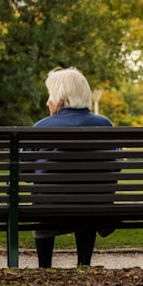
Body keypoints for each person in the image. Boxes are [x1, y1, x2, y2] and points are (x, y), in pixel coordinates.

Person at [32, 67, 113, 268]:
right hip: (93, 209)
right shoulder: (104, 125)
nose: (46, 102)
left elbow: (25, 174)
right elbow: (113, 169)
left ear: (59, 98)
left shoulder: (41, 127)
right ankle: (84, 264)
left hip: (48, 211)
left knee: (43, 201)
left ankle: (44, 266)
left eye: (49, 96)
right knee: (86, 201)